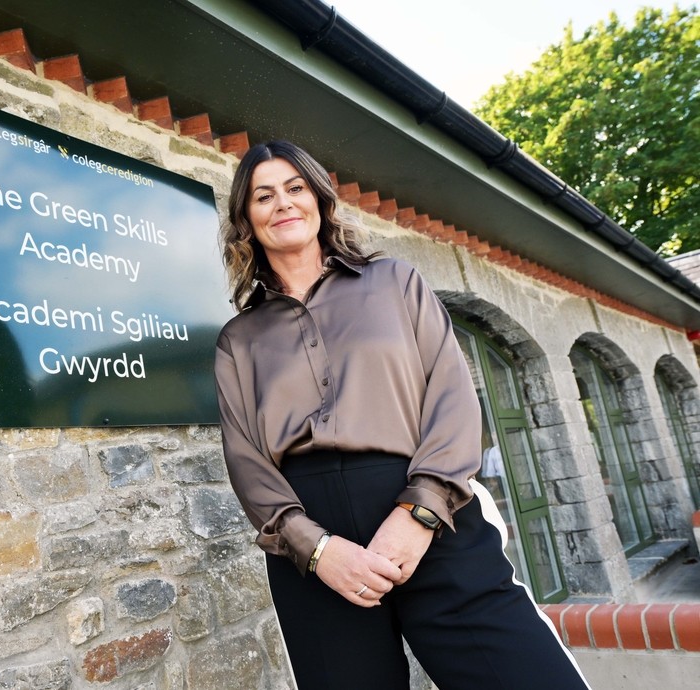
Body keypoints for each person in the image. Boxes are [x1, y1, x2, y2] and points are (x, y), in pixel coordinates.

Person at [214, 140, 591, 690]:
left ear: (318, 200)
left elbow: (451, 397)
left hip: (425, 508)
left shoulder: (394, 282)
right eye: (263, 195)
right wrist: (315, 550)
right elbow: (246, 461)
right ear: (247, 220)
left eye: (295, 188)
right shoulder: (238, 340)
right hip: (314, 544)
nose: (283, 204)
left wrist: (422, 512)